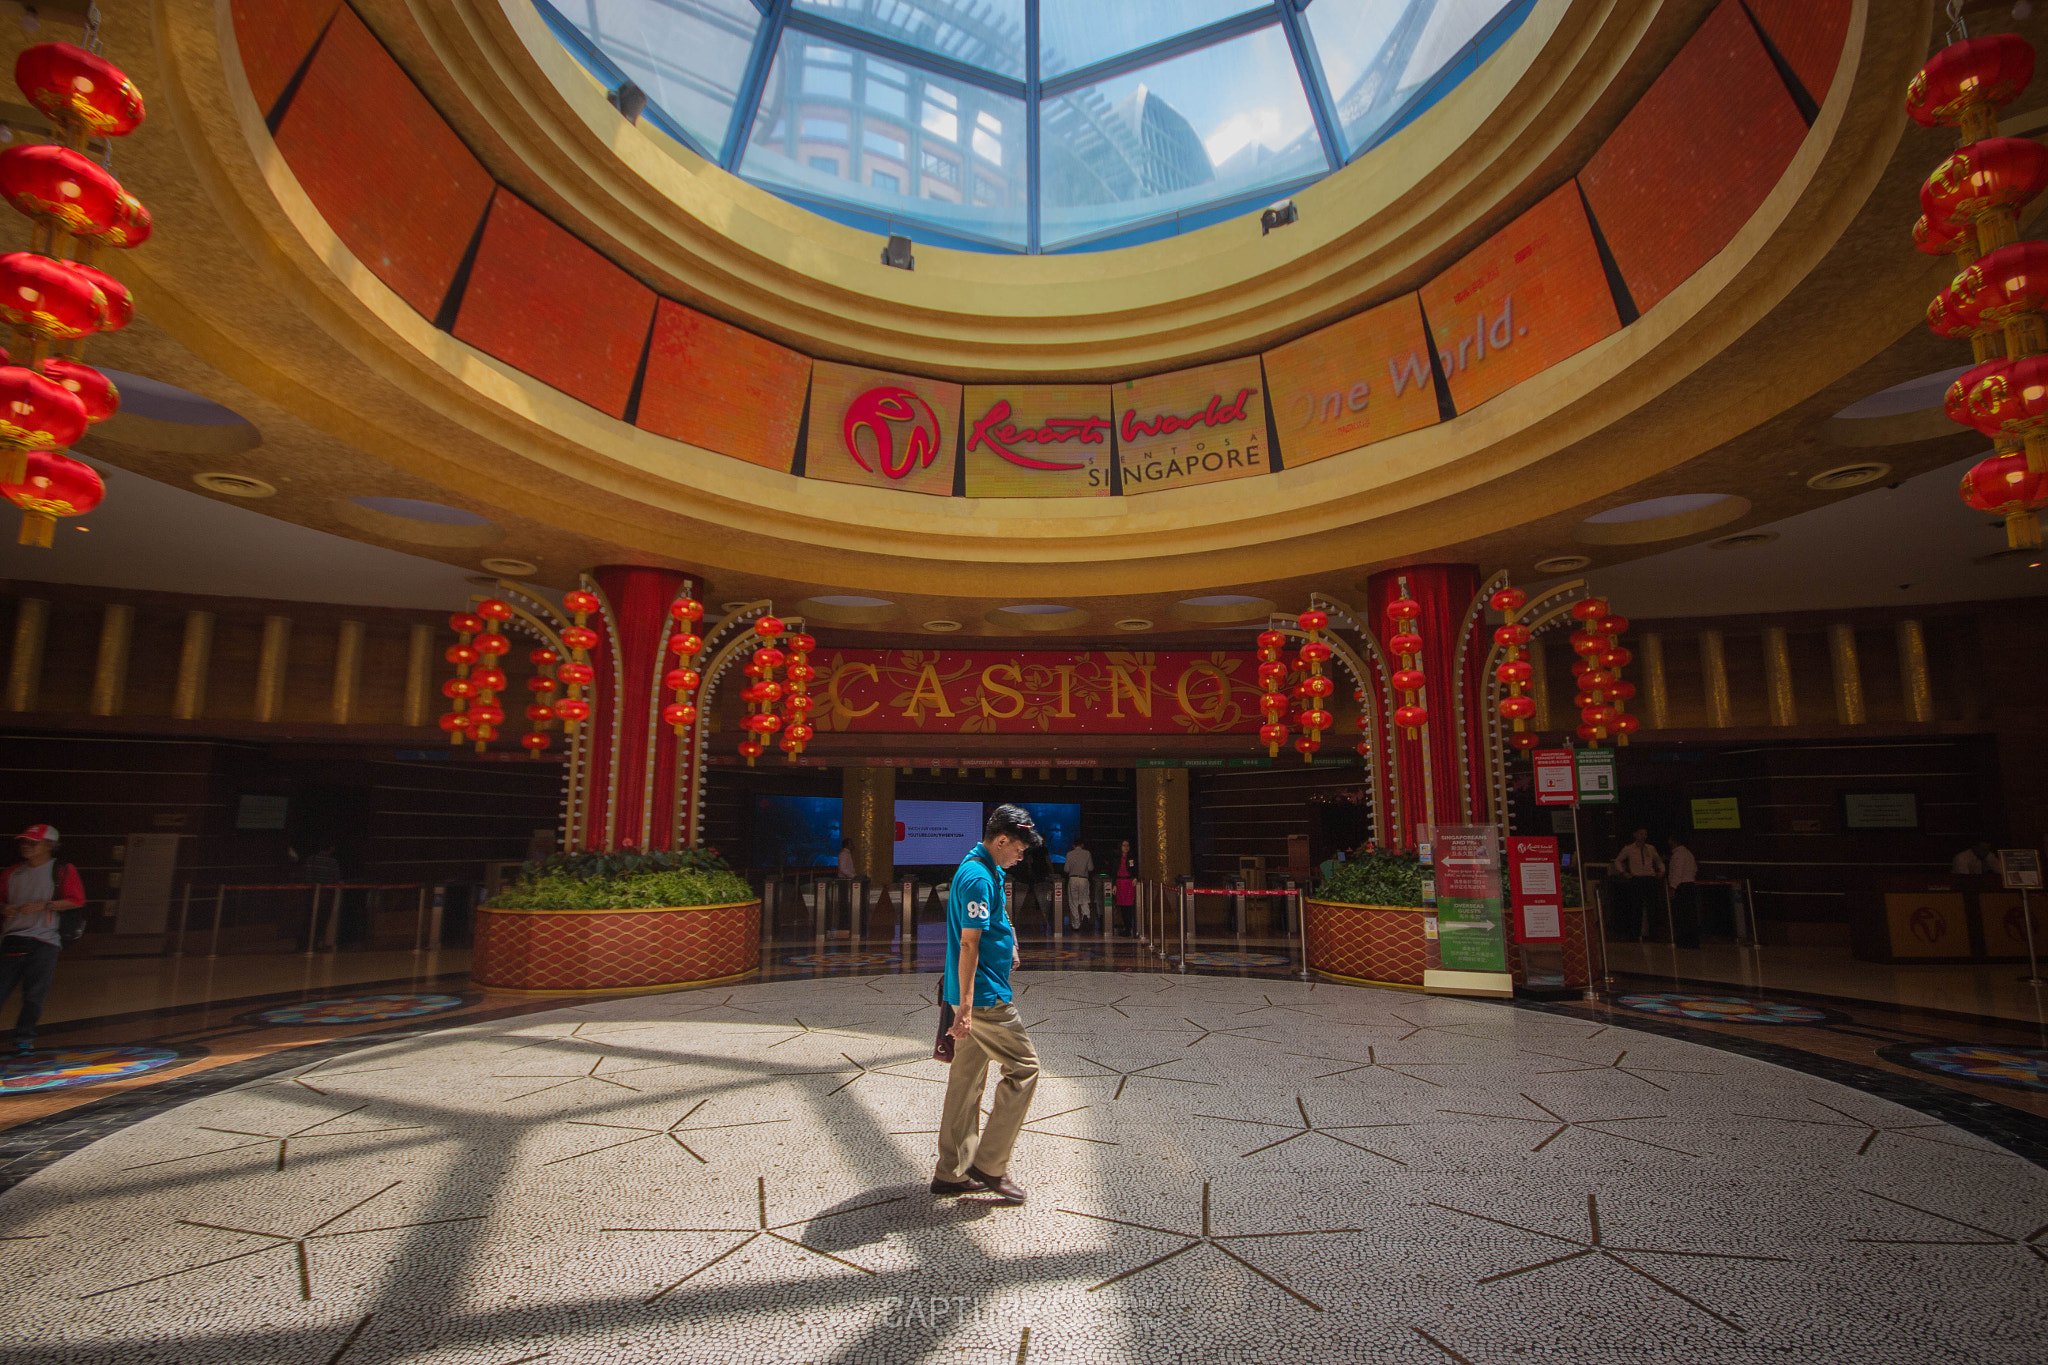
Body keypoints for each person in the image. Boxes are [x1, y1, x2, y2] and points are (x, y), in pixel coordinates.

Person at [932, 804, 1041, 1204]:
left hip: (976, 993)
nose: (1021, 856)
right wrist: (964, 1007)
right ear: (1000, 840)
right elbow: (969, 942)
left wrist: (1010, 937)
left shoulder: (987, 869)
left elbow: (994, 924)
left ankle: (951, 1171)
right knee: (1025, 1068)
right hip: (985, 997)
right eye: (1019, 848)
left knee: (966, 1082)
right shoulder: (977, 877)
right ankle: (989, 1164)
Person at [2, 824, 84, 1053]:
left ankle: (24, 1038)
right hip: (13, 937)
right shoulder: (11, 873)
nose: (26, 846)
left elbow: (76, 900)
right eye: (24, 842)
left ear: (49, 845)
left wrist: (45, 905)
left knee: (34, 994)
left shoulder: (61, 870)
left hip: (45, 941)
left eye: (32, 842)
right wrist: (5, 908)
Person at [1609, 829, 1665, 942]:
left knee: (1652, 907)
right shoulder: (1629, 849)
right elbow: (1618, 860)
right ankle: (1635, 934)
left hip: (1650, 878)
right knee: (1636, 907)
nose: (1643, 836)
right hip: (1637, 878)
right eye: (1641, 834)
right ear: (1635, 835)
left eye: (1645, 834)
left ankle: (1653, 934)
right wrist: (1624, 872)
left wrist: (1662, 871)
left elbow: (1658, 861)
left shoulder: (1650, 848)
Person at [1667, 833, 1700, 949]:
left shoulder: (1678, 855)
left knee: (1681, 915)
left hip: (1682, 887)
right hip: (1690, 884)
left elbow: (1677, 872)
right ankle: (1692, 941)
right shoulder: (1688, 853)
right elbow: (1695, 869)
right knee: (1690, 914)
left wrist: (1673, 887)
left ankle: (1684, 941)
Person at [1062, 838, 1093, 928]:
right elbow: (1090, 868)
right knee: (1084, 899)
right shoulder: (1087, 853)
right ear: (1082, 845)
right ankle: (1086, 915)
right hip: (1084, 879)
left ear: (1073, 845)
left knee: (1073, 902)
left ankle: (1076, 924)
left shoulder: (1069, 854)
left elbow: (1066, 869)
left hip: (1073, 878)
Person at [1114, 838, 1137, 937]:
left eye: (1127, 845)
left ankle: (1129, 927)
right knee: (1122, 906)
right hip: (1120, 883)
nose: (1126, 847)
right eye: (1124, 845)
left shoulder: (1131, 858)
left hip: (1128, 883)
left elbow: (1134, 869)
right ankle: (1126, 927)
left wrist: (1135, 877)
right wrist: (1113, 884)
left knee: (1129, 906)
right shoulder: (1116, 858)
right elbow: (1113, 871)